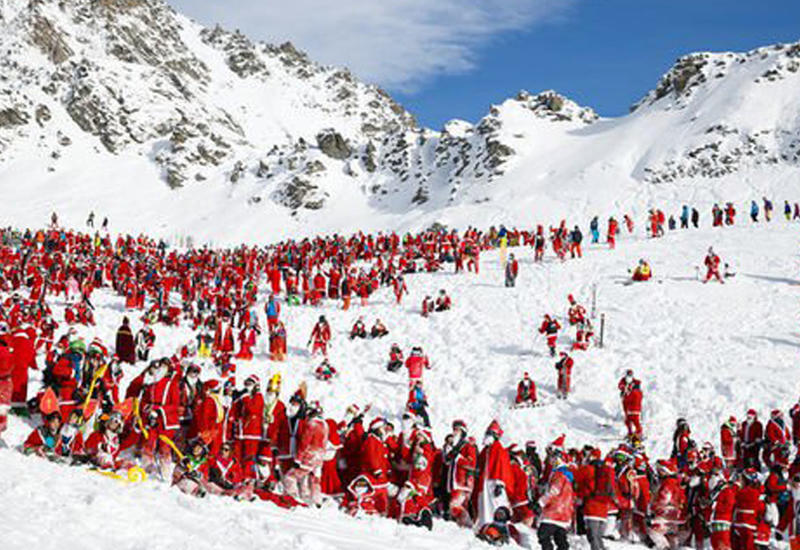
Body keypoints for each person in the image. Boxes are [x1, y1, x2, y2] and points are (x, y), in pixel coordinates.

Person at [538, 446, 575, 550]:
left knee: (543, 535)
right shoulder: (567, 475)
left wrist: (540, 503)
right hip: (565, 513)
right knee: (560, 538)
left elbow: (553, 491)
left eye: (554, 458)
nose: (551, 461)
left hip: (554, 512)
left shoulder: (559, 474)